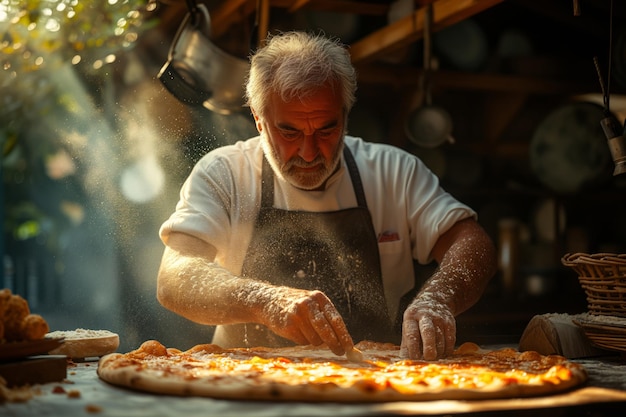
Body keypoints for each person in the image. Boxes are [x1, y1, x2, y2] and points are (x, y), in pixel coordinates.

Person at [156, 31, 497, 361]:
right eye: (289, 131)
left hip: (375, 379)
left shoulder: (394, 172)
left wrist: (438, 298)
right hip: (243, 379)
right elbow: (175, 277)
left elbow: (471, 243)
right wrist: (264, 299)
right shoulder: (224, 174)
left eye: (326, 129)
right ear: (259, 121)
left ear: (346, 119)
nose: (308, 152)